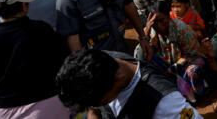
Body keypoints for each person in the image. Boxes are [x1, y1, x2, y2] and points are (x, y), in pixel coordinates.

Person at [55, 48, 202, 118]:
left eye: (102, 101)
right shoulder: (101, 61)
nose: (95, 106)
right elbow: (94, 110)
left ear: (118, 77)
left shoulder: (166, 103)